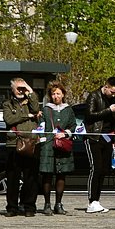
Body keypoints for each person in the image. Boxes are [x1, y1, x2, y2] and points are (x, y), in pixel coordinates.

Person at [1, 77, 42, 217]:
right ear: (12, 89)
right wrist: (28, 115)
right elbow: (9, 119)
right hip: (14, 143)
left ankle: (29, 206)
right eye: (18, 88)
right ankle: (12, 207)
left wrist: (30, 91)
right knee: (13, 177)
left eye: (22, 88)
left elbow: (36, 108)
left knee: (31, 177)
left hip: (31, 143)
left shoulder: (29, 102)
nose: (20, 91)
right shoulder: (7, 104)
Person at [83, 76, 115, 214]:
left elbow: (114, 120)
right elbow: (89, 115)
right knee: (96, 168)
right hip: (94, 136)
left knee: (104, 169)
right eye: (111, 92)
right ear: (105, 87)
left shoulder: (113, 100)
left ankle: (96, 201)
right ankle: (91, 201)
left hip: (107, 137)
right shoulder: (93, 96)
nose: (113, 94)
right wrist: (108, 111)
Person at [39, 81, 76, 215]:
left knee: (61, 175)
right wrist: (43, 139)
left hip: (63, 145)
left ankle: (58, 204)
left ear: (63, 94)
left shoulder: (68, 110)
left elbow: (73, 126)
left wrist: (65, 133)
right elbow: (41, 126)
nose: (56, 96)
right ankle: (47, 204)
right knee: (47, 175)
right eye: (53, 94)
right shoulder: (46, 109)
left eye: (58, 93)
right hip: (48, 145)